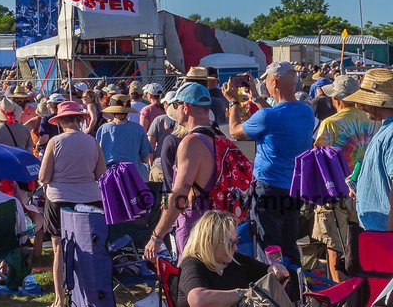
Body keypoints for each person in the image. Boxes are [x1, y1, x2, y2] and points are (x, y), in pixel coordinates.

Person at [228, 63, 315, 263]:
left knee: (269, 247)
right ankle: (294, 285)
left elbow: (234, 131)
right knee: (289, 242)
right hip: (293, 187)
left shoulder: (268, 116)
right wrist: (257, 99)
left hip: (268, 188)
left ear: (274, 81)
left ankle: (273, 287)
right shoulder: (306, 112)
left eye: (266, 80)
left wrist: (234, 102)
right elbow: (276, 117)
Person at [38, 101, 105, 307]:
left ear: (60, 122)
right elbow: (101, 174)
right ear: (79, 120)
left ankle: (59, 299)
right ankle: (90, 294)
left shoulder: (55, 142)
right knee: (89, 248)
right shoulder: (92, 142)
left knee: (59, 248)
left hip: (60, 198)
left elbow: (44, 176)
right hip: (89, 199)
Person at [145, 83, 222, 260]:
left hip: (195, 229)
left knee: (192, 284)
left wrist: (156, 236)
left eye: (176, 105)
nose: (174, 110)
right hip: (215, 225)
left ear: (185, 107)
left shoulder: (190, 143)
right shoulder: (216, 137)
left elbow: (179, 195)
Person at [312, 74, 377, 280]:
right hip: (362, 189)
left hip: (335, 191)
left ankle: (340, 295)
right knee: (359, 244)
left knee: (335, 246)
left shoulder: (330, 123)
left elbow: (318, 156)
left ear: (336, 99)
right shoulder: (370, 120)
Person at [176, 210, 288, 307]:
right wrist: (243, 293)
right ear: (210, 242)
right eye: (229, 243)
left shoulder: (231, 259)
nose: (235, 248)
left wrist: (275, 270)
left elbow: (265, 272)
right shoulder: (191, 264)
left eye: (236, 241)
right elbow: (198, 300)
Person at [344, 68, 393, 231]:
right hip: (378, 229)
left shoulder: (391, 133)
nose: (363, 106)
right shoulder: (385, 128)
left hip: (384, 233)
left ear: (377, 101)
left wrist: (389, 236)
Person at [95, 103, 151, 176]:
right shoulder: (138, 128)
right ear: (127, 112)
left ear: (113, 112)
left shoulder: (103, 129)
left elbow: (97, 156)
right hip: (134, 175)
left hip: (109, 175)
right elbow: (145, 159)